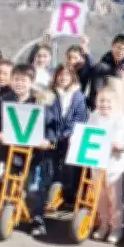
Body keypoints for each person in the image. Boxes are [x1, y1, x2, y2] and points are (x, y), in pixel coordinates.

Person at [0, 63, 55, 235]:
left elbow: (50, 125)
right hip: (9, 151)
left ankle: (37, 219)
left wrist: (47, 140)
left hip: (33, 154)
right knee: (7, 180)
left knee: (33, 188)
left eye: (24, 80)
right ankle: (6, 209)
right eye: (16, 79)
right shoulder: (4, 100)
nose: (19, 83)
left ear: (31, 82)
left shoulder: (40, 102)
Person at [87, 84, 124, 243]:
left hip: (115, 165)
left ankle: (116, 227)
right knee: (100, 197)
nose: (104, 105)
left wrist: (120, 146)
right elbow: (86, 134)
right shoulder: (93, 116)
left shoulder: (122, 120)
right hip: (96, 163)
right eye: (101, 101)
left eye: (108, 102)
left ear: (115, 103)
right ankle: (103, 224)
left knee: (114, 198)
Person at [46, 63, 88, 205]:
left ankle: (69, 195)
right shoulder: (50, 93)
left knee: (69, 168)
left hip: (70, 137)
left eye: (67, 75)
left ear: (72, 77)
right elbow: (46, 116)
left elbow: (79, 119)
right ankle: (52, 195)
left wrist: (68, 134)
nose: (63, 77)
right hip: (52, 136)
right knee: (51, 166)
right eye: (60, 74)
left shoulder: (78, 96)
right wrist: (51, 136)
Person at [87, 34, 124, 110]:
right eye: (119, 48)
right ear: (112, 45)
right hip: (104, 110)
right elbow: (95, 94)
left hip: (122, 111)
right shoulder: (101, 67)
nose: (121, 52)